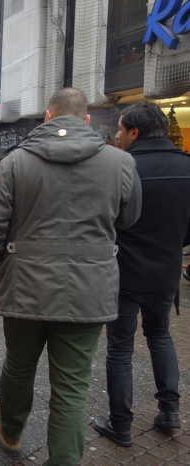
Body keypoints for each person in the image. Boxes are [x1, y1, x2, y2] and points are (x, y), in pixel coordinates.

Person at [0, 88, 142, 465]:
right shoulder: (120, 163)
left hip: (25, 286)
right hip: (89, 289)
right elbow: (129, 219)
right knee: (72, 386)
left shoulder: (16, 163)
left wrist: (7, 255)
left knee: (19, 365)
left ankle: (12, 430)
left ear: (48, 117)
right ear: (86, 121)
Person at [92, 102, 190, 446]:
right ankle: (170, 413)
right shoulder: (185, 166)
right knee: (160, 336)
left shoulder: (123, 168)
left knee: (120, 348)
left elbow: (105, 221)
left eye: (120, 130)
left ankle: (120, 424)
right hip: (165, 272)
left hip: (124, 273)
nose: (117, 137)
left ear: (134, 132)